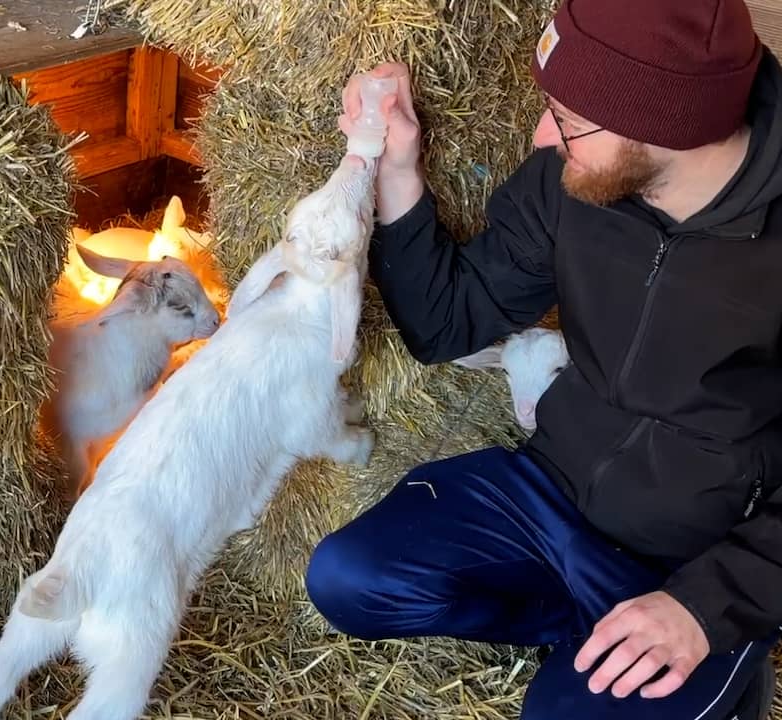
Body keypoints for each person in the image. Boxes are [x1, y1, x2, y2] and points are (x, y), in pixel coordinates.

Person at [305, 0, 782, 718]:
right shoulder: (579, 178)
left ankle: (710, 662)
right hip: (554, 486)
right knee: (347, 578)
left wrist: (705, 608)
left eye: (567, 117)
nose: (541, 135)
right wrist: (398, 170)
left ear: (667, 123)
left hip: (694, 554)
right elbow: (448, 322)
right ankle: (579, 633)